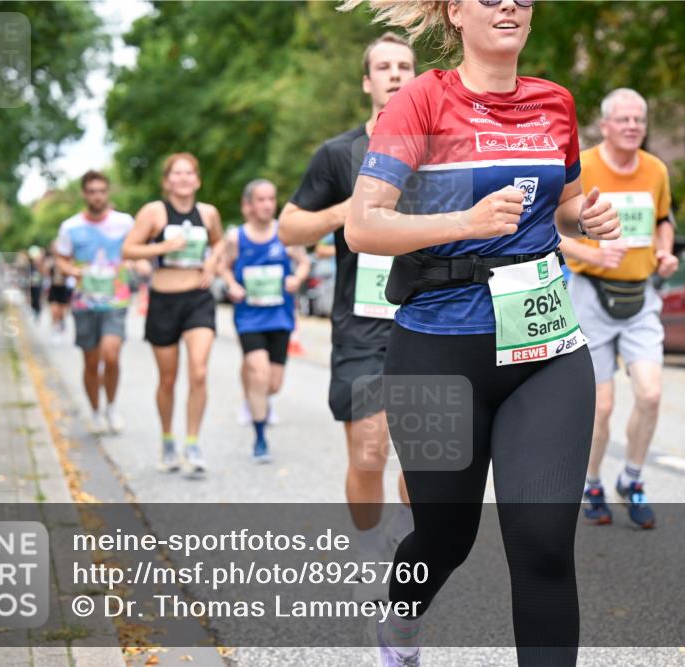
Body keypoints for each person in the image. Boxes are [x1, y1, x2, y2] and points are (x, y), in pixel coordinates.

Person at [340, 1, 621, 664]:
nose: (509, 4)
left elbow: (566, 203)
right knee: (446, 535)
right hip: (438, 350)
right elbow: (364, 225)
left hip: (545, 348)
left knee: (545, 541)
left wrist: (589, 218)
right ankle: (402, 619)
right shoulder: (422, 102)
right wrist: (464, 222)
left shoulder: (555, 102)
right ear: (456, 13)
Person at [278, 31, 416, 598]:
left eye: (405, 65)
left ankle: (411, 543)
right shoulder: (338, 155)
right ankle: (368, 547)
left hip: (429, 317)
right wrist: (344, 209)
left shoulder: (444, 149)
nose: (394, 74)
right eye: (383, 66)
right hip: (362, 322)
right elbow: (289, 227)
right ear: (366, 81)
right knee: (369, 446)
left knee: (430, 452)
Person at [558, 88, 678, 529]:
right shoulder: (584, 166)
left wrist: (665, 252)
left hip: (641, 294)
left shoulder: (656, 169)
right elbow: (551, 228)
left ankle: (632, 478)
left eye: (638, 120)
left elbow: (664, 221)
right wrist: (592, 255)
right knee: (601, 406)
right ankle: (592, 482)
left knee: (650, 393)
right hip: (590, 293)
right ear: (605, 125)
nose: (632, 126)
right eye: (623, 119)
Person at [121, 153, 224, 474]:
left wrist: (212, 264)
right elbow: (128, 249)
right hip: (164, 301)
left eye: (189, 173)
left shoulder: (208, 213)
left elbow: (219, 244)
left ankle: (192, 443)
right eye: (176, 174)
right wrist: (161, 248)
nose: (183, 178)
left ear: (197, 179)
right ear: (167, 181)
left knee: (199, 372)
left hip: (198, 300)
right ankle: (168, 440)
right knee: (168, 379)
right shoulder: (154, 212)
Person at [220, 179, 309, 463]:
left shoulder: (284, 235)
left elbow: (303, 262)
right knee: (258, 372)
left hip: (280, 317)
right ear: (248, 205)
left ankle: (255, 397)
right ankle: (260, 439)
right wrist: (231, 284)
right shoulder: (236, 238)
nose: (267, 204)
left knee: (272, 385)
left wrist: (298, 278)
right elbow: (222, 266)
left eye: (271, 199)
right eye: (261, 199)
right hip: (249, 317)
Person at [54, 171, 134, 435]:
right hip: (84, 303)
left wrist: (138, 262)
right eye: (92, 191)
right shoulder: (70, 227)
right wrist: (71, 271)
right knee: (91, 362)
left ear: (108, 193)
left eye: (102, 190)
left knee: (111, 355)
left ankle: (112, 406)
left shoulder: (124, 223)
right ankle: (96, 411)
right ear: (84, 194)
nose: (97, 196)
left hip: (115, 300)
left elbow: (136, 248)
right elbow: (61, 259)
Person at [45, 243, 73, 344]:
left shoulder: (66, 261)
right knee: (54, 311)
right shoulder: (50, 262)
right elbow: (45, 274)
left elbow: (70, 273)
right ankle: (55, 330)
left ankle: (61, 323)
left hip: (63, 288)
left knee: (61, 312)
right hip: (53, 289)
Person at [27, 245, 45, 320]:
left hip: (38, 285)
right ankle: (34, 311)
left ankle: (38, 312)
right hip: (32, 285)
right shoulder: (30, 266)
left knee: (38, 298)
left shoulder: (40, 265)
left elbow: (43, 273)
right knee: (33, 298)